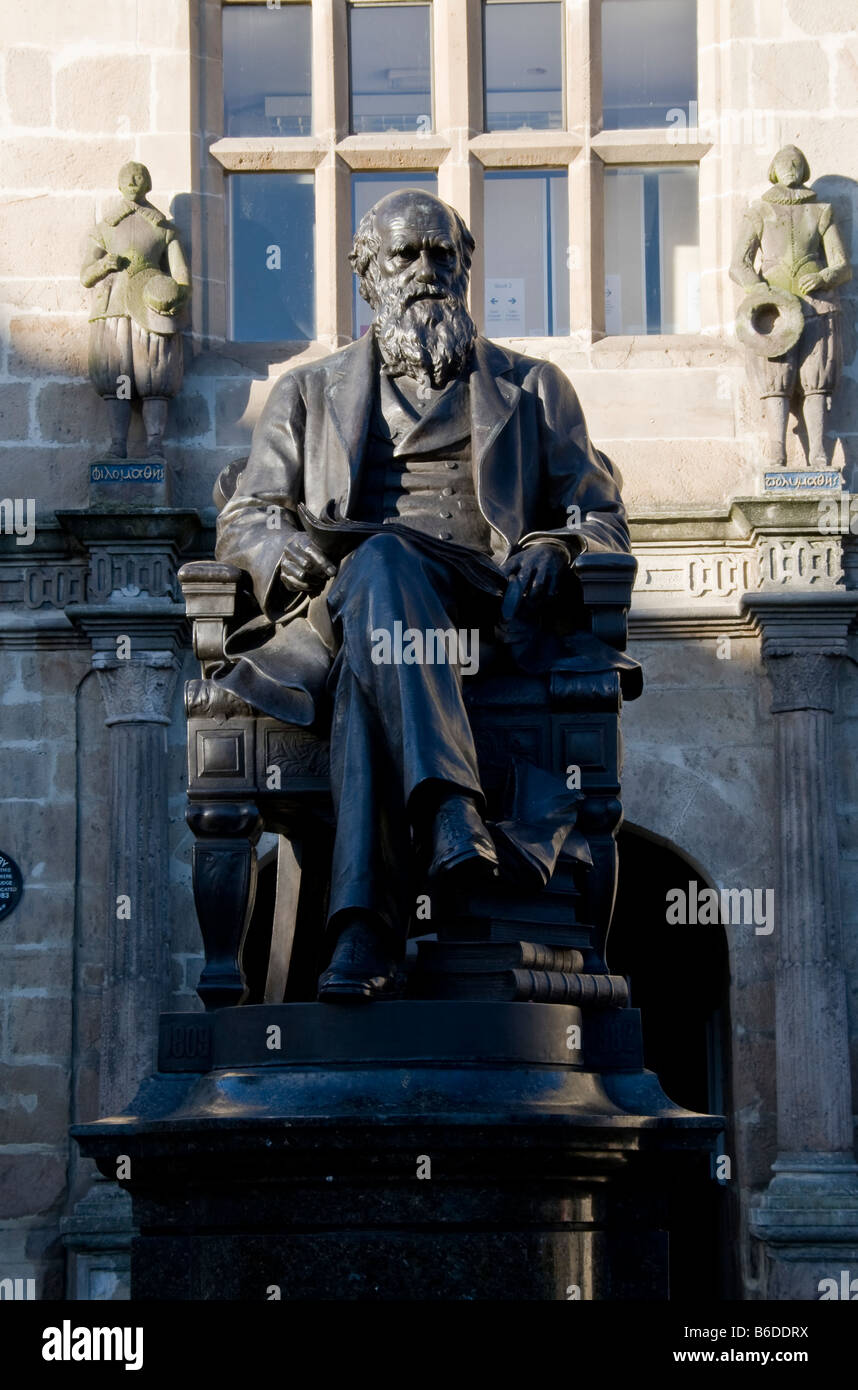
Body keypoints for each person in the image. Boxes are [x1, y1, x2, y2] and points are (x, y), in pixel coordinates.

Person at [202, 189, 633, 1001]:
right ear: (368, 277)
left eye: (444, 255)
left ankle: (365, 931)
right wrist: (276, 545)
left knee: (384, 576)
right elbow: (249, 515)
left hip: (486, 607)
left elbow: (599, 516)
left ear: (466, 269)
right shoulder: (306, 392)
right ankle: (442, 820)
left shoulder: (535, 388)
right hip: (350, 605)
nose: (428, 272)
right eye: (407, 256)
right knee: (383, 568)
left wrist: (555, 543)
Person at [730, 145, 851, 467]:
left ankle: (819, 454)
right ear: (773, 169)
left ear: (804, 169)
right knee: (776, 383)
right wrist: (760, 293)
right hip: (774, 310)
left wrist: (825, 276)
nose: (791, 166)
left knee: (816, 382)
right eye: (785, 162)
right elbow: (738, 264)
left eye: (797, 162)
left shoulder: (820, 210)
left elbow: (843, 265)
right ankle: (776, 451)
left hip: (818, 306)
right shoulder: (760, 211)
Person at [81, 161, 191, 459]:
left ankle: (155, 444)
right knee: (118, 377)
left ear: (149, 182)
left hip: (151, 310)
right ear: (119, 183)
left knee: (154, 377)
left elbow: (182, 278)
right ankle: (118, 444)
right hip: (114, 309)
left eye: (139, 174)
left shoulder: (164, 230)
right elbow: (85, 275)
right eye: (127, 175)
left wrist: (171, 298)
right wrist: (105, 264)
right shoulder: (105, 229)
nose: (133, 179)